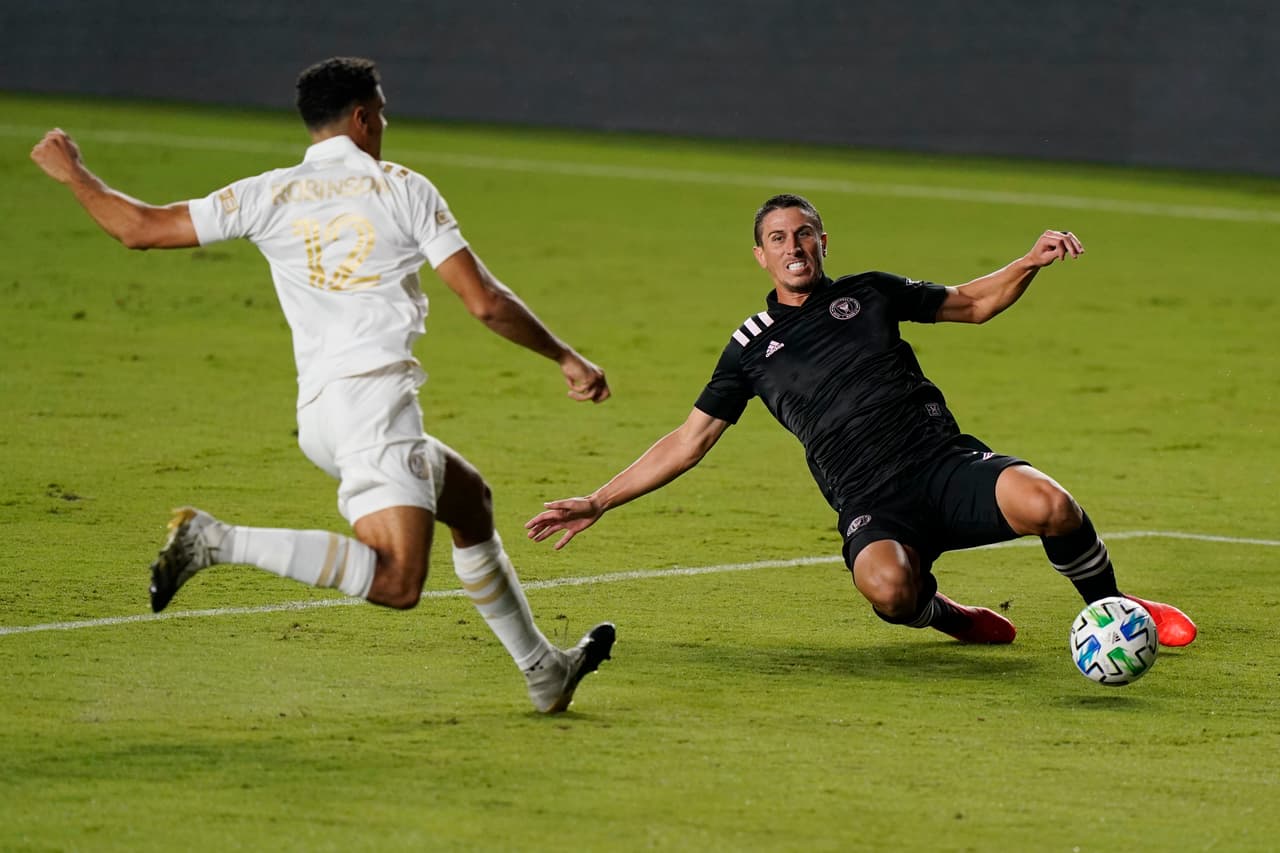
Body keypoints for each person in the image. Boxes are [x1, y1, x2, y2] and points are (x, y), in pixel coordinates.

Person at [31, 56, 616, 713]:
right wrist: (565, 356)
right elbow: (483, 301)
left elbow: (137, 228)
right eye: (383, 113)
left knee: (471, 501)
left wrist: (72, 172)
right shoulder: (402, 188)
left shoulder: (268, 192)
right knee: (397, 579)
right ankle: (216, 540)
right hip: (373, 410)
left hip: (322, 414)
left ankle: (543, 669)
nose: (385, 124)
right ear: (364, 118)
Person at [526, 193, 1197, 649]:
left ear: (823, 241)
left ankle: (1112, 608)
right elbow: (688, 439)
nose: (794, 246)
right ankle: (947, 614)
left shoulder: (867, 292)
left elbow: (970, 304)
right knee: (887, 589)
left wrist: (1027, 261)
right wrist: (600, 498)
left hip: (944, 464)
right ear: (760, 255)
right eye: (778, 238)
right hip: (872, 502)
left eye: (804, 233)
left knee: (1051, 502)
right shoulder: (750, 347)